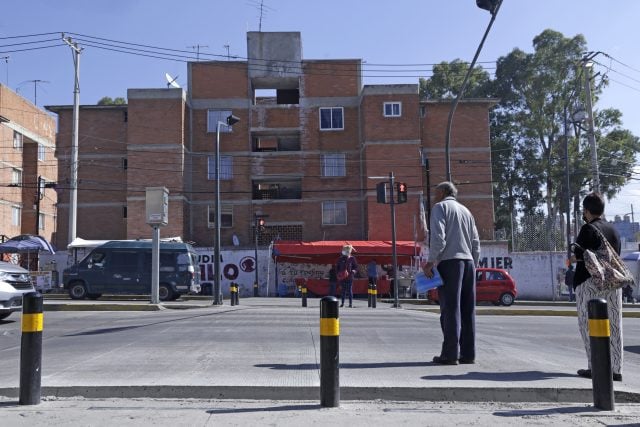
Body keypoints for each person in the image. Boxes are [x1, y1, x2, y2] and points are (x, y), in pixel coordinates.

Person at [422, 181, 480, 365]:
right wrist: (474, 265)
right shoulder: (466, 211)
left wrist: (430, 262)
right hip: (469, 262)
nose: (433, 197)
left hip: (450, 262)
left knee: (450, 309)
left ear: (443, 193)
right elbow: (476, 242)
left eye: (435, 193)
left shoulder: (440, 208)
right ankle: (468, 354)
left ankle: (450, 354)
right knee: (467, 310)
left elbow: (438, 239)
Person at [570, 192, 623, 382]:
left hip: (590, 283)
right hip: (613, 281)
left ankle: (595, 366)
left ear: (586, 210)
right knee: (615, 325)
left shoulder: (588, 229)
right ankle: (616, 369)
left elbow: (577, 255)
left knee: (588, 324)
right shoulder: (614, 230)